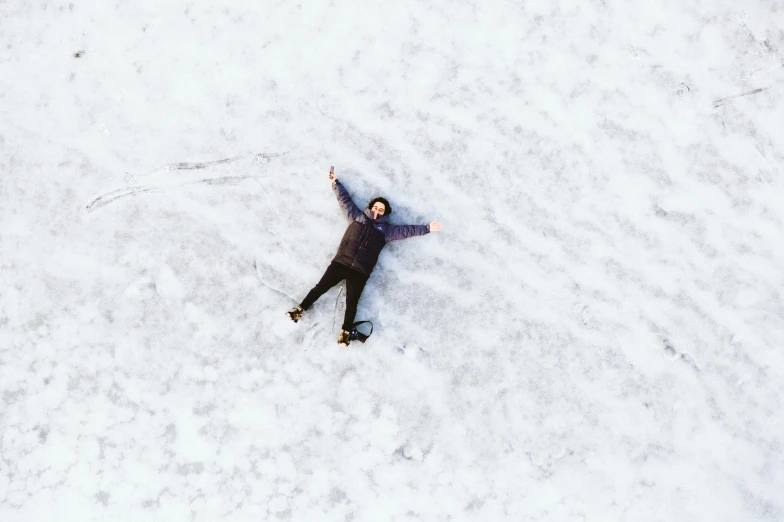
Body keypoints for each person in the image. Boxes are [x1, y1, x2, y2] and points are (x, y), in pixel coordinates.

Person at [286, 166, 443, 346]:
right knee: (320, 288)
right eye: (376, 206)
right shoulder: (357, 217)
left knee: (352, 302)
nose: (378, 210)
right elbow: (344, 201)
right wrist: (335, 183)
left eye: (381, 209)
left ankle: (344, 333)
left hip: (360, 271)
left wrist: (427, 228)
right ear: (370, 207)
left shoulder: (386, 231)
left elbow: (407, 230)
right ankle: (299, 310)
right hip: (340, 263)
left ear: (386, 213)